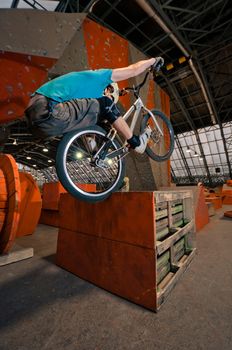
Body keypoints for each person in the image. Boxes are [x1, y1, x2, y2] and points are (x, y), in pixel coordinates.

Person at [25, 57, 163, 154]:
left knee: (98, 115)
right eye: (110, 96)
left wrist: (95, 152)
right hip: (47, 108)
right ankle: (136, 142)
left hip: (37, 122)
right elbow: (133, 70)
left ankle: (101, 156)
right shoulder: (100, 77)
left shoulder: (82, 98)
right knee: (105, 104)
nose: (108, 98)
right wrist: (152, 61)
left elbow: (87, 132)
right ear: (108, 89)